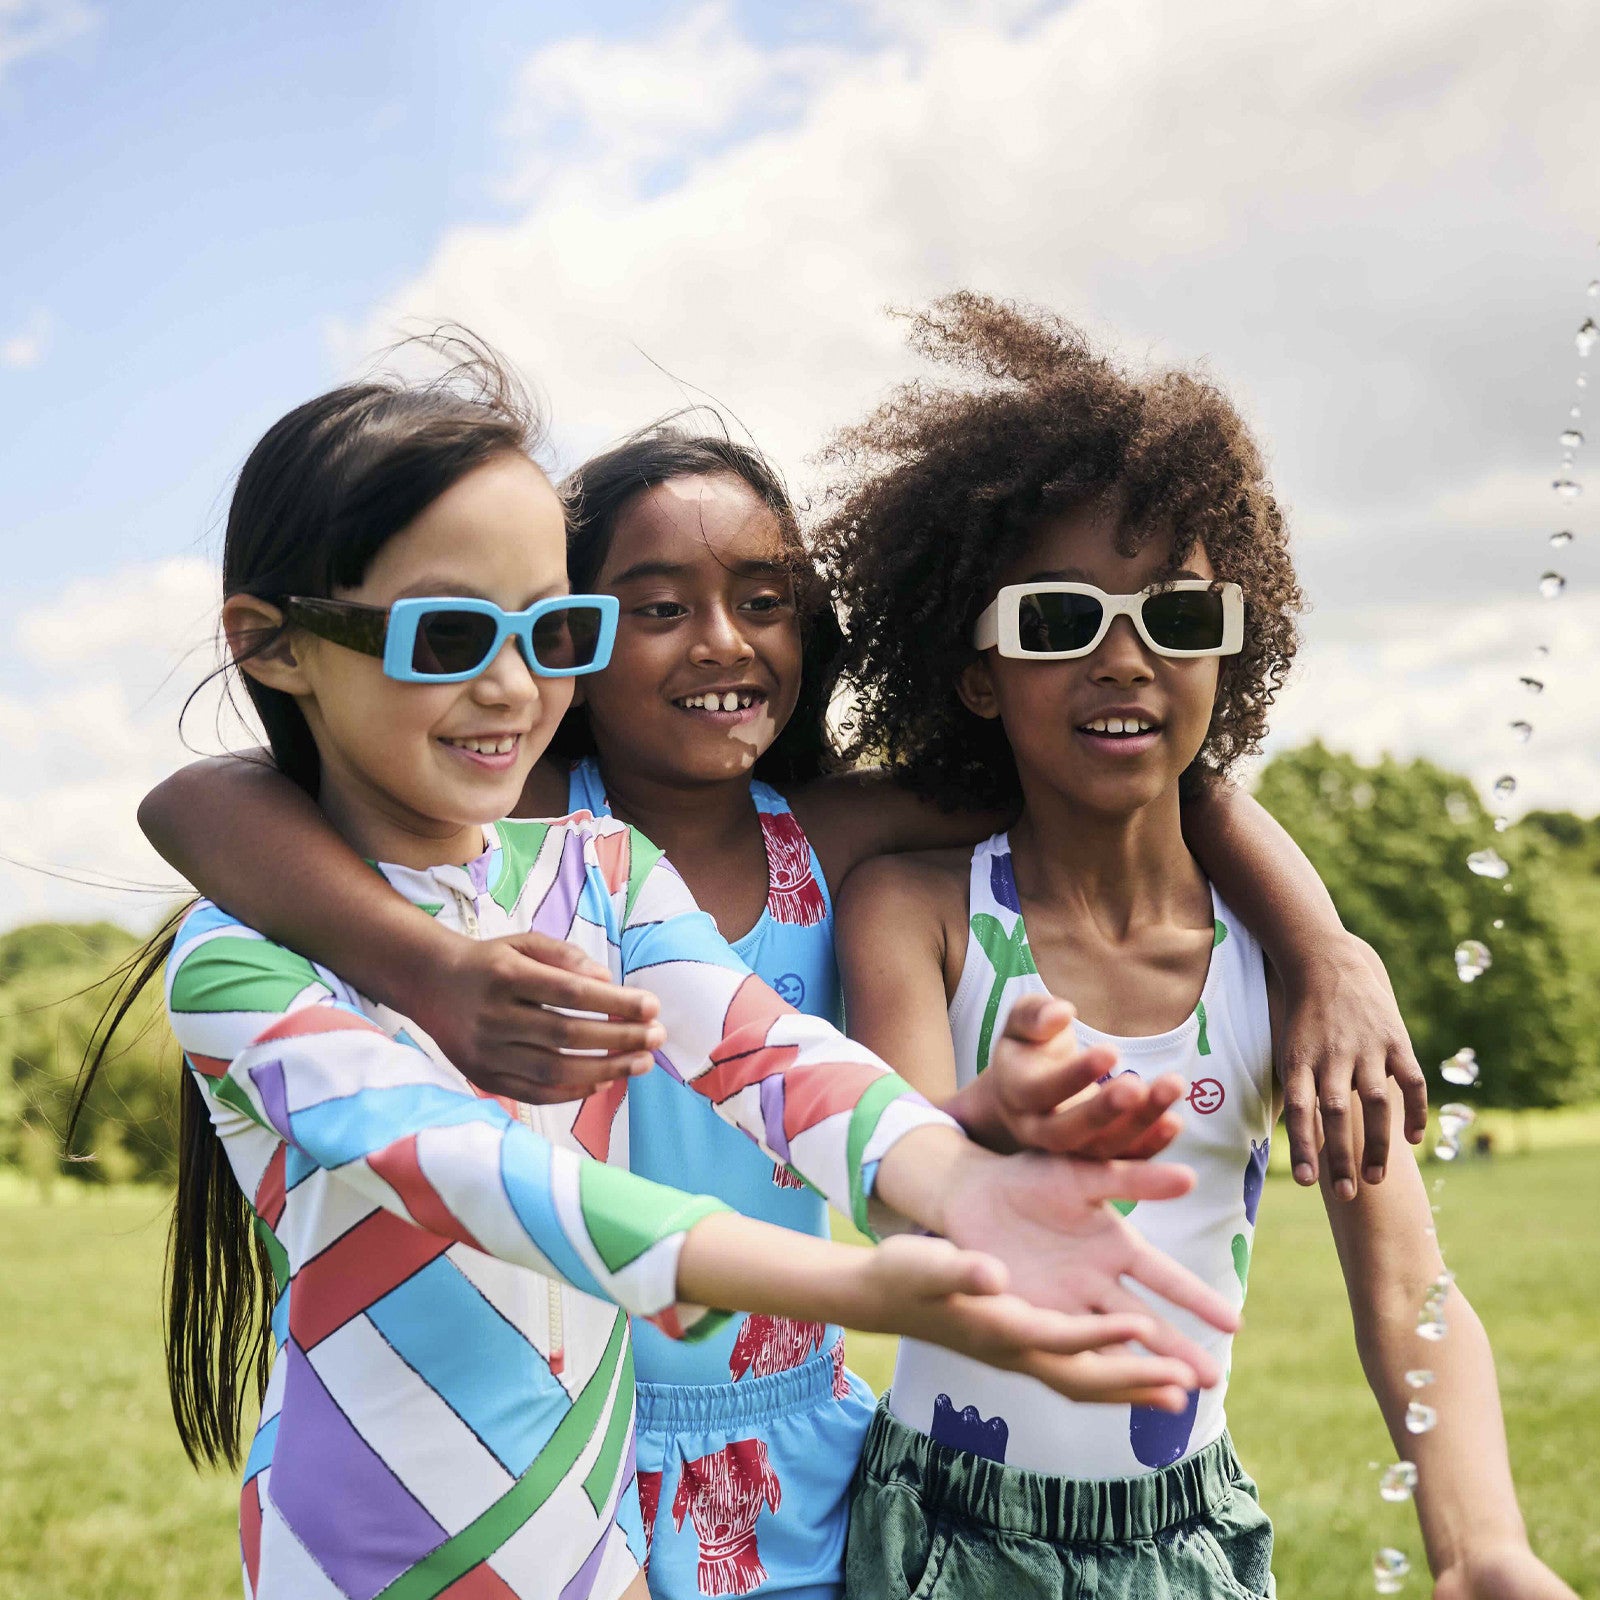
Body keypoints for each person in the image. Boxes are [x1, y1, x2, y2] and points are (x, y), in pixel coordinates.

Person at [141, 417, 1427, 1600]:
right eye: (449, 635)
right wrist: (870, 1284)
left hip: (665, 1513)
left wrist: (960, 1169)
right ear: (275, 642)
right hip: (392, 1547)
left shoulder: (606, 870)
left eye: (551, 631)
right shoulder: (262, 944)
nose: (511, 683)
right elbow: (488, 1177)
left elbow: (782, 1053)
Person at [822, 293, 1577, 1600]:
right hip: (939, 1529)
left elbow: (1411, 1286)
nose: (1126, 661)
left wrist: (1483, 1546)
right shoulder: (920, 911)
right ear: (977, 665)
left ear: (1236, 650)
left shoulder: (1282, 971)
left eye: (1178, 620)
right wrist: (985, 1129)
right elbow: (897, 1196)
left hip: (1187, 1541)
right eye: (1061, 622)